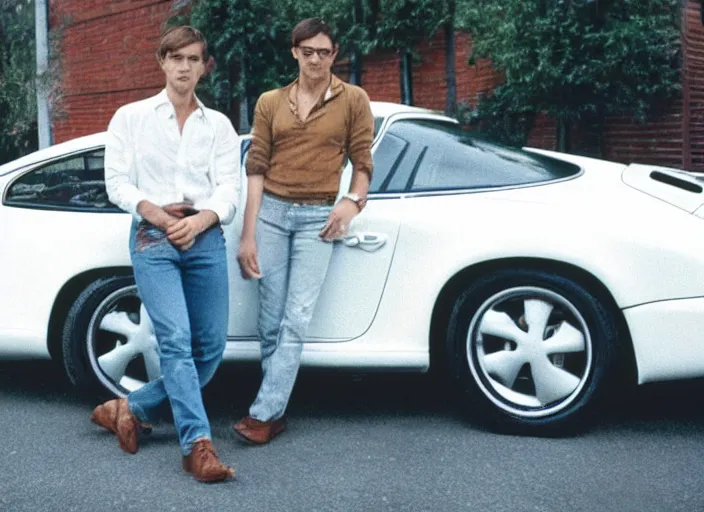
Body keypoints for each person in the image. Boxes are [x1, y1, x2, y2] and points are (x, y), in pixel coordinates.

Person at [91, 26, 238, 483]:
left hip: (204, 235)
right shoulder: (131, 117)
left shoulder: (218, 125)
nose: (184, 67)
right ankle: (198, 446)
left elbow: (229, 187)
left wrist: (199, 221)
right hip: (152, 238)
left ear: (203, 66)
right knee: (174, 340)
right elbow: (117, 181)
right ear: (162, 61)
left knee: (209, 348)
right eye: (176, 58)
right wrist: (157, 215)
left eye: (194, 59)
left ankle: (128, 408)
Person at [233, 17, 374, 445]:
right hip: (272, 213)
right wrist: (248, 233)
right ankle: (273, 411)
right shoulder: (271, 101)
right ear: (294, 52)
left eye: (324, 52)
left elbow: (363, 161)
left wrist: (351, 202)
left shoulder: (354, 99)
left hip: (318, 220)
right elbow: (255, 167)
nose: (315, 59)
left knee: (296, 318)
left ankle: (263, 413)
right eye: (307, 51)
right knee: (270, 319)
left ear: (335, 55)